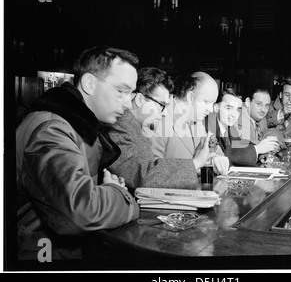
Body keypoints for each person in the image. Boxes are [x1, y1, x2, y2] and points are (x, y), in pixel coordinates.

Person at [16, 46, 140, 259]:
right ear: (90, 83)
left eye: (131, 93)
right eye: (121, 91)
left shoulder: (68, 124)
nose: (128, 103)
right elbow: (82, 211)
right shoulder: (52, 130)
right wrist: (118, 193)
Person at [107, 67, 213, 191]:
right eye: (161, 105)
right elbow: (141, 176)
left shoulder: (134, 127)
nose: (164, 113)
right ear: (140, 99)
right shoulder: (120, 127)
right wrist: (196, 163)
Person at [149, 71, 230, 175]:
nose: (211, 109)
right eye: (206, 102)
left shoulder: (196, 120)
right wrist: (197, 165)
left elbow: (213, 148)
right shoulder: (159, 117)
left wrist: (216, 158)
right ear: (190, 97)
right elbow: (152, 172)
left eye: (213, 103)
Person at [207, 88, 280, 166]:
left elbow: (241, 145)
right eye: (228, 108)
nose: (234, 115)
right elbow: (226, 155)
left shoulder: (229, 127)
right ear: (216, 108)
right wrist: (258, 149)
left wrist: (260, 154)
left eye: (238, 110)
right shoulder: (207, 127)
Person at [267, 80, 291, 149]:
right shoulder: (268, 107)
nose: (290, 99)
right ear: (281, 95)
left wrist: (279, 141)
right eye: (287, 95)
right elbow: (265, 125)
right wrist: (281, 112)